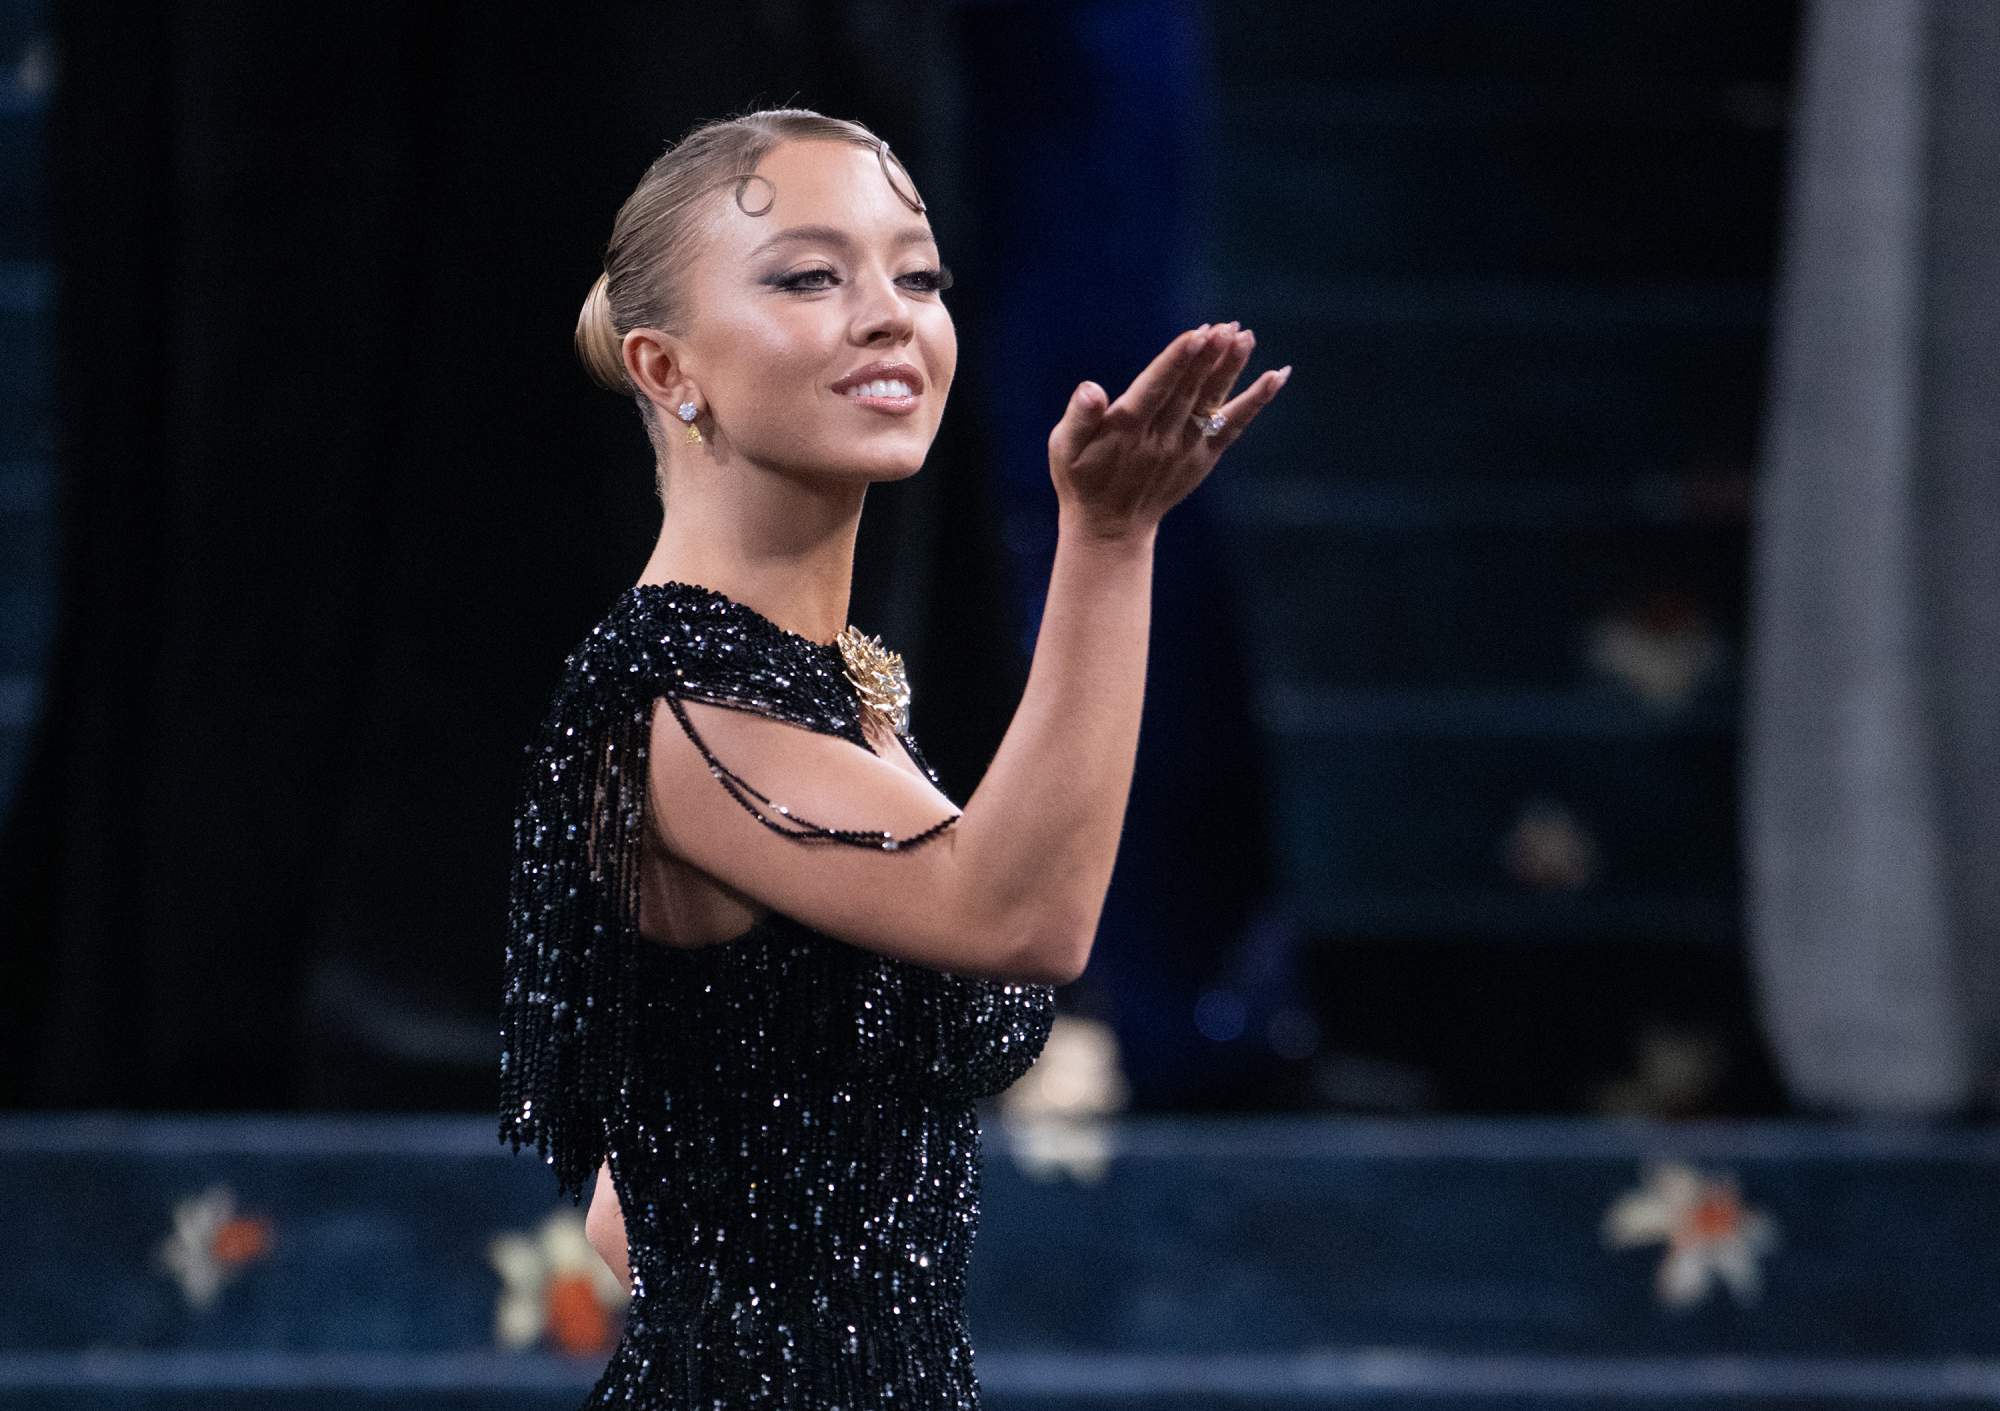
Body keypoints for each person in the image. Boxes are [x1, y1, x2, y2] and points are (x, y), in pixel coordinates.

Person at [498, 107, 1290, 1410]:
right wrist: (1109, 540)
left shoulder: (826, 687)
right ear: (665, 366)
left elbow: (621, 1214)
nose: (890, 315)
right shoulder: (681, 704)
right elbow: (1022, 913)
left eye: (916, 274)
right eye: (811, 275)